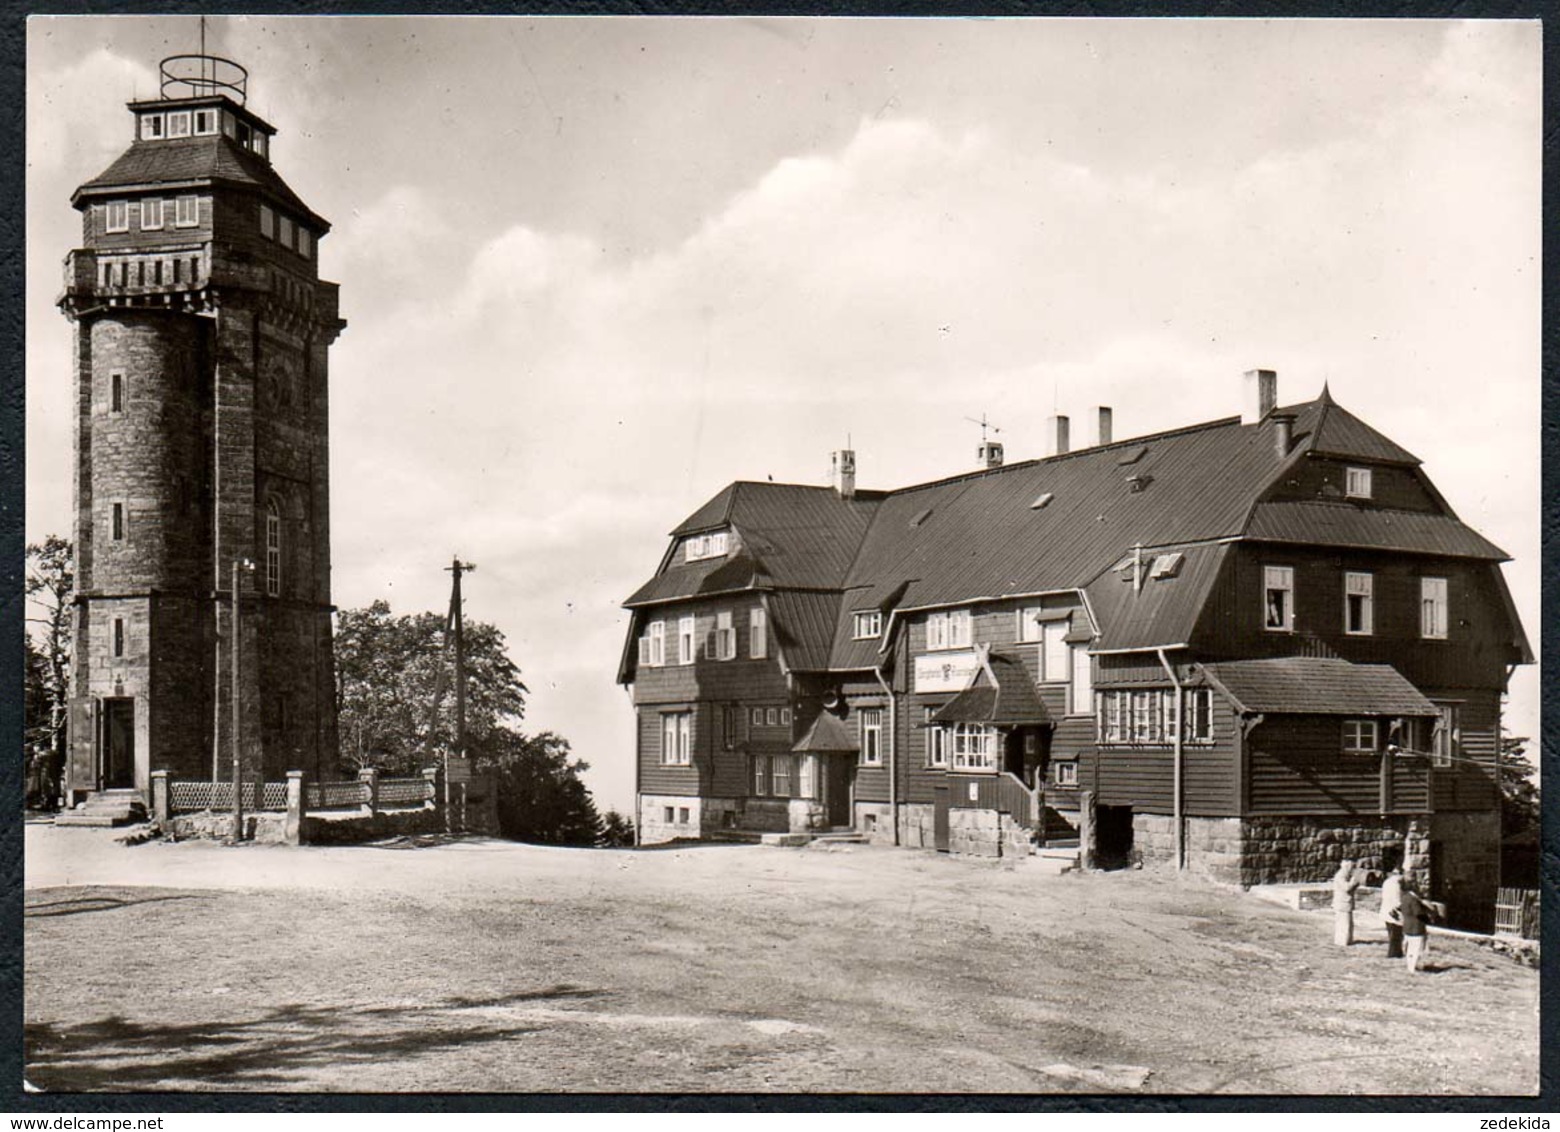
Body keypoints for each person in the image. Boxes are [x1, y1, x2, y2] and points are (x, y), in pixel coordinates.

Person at [1399, 881, 1432, 973]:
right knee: (1416, 949)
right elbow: (1418, 912)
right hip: (1416, 927)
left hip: (1407, 926)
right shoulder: (1414, 900)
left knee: (1409, 948)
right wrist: (1428, 917)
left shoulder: (1404, 897)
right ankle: (1413, 968)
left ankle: (1410, 965)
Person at [1332, 859, 1361, 946]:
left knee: (1348, 924)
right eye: (1351, 867)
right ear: (1346, 867)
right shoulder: (1340, 876)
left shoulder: (1345, 876)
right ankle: (1342, 941)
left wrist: (1355, 883)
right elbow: (1346, 888)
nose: (1352, 869)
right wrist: (1353, 881)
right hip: (1342, 903)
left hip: (1345, 903)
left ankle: (1347, 940)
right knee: (1343, 924)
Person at [1380, 862, 1404, 959]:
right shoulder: (1396, 885)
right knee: (1396, 934)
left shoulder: (1387, 882)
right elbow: (1397, 900)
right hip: (1394, 912)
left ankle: (1397, 952)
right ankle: (1394, 954)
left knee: (1391, 933)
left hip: (1386, 910)